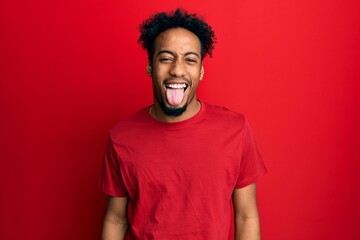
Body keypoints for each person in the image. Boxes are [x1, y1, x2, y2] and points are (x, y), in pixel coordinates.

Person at [99, 8, 266, 240]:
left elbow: (246, 216)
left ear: (201, 71)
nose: (177, 70)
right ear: (150, 67)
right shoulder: (121, 136)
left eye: (190, 60)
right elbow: (116, 219)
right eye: (166, 59)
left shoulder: (236, 130)